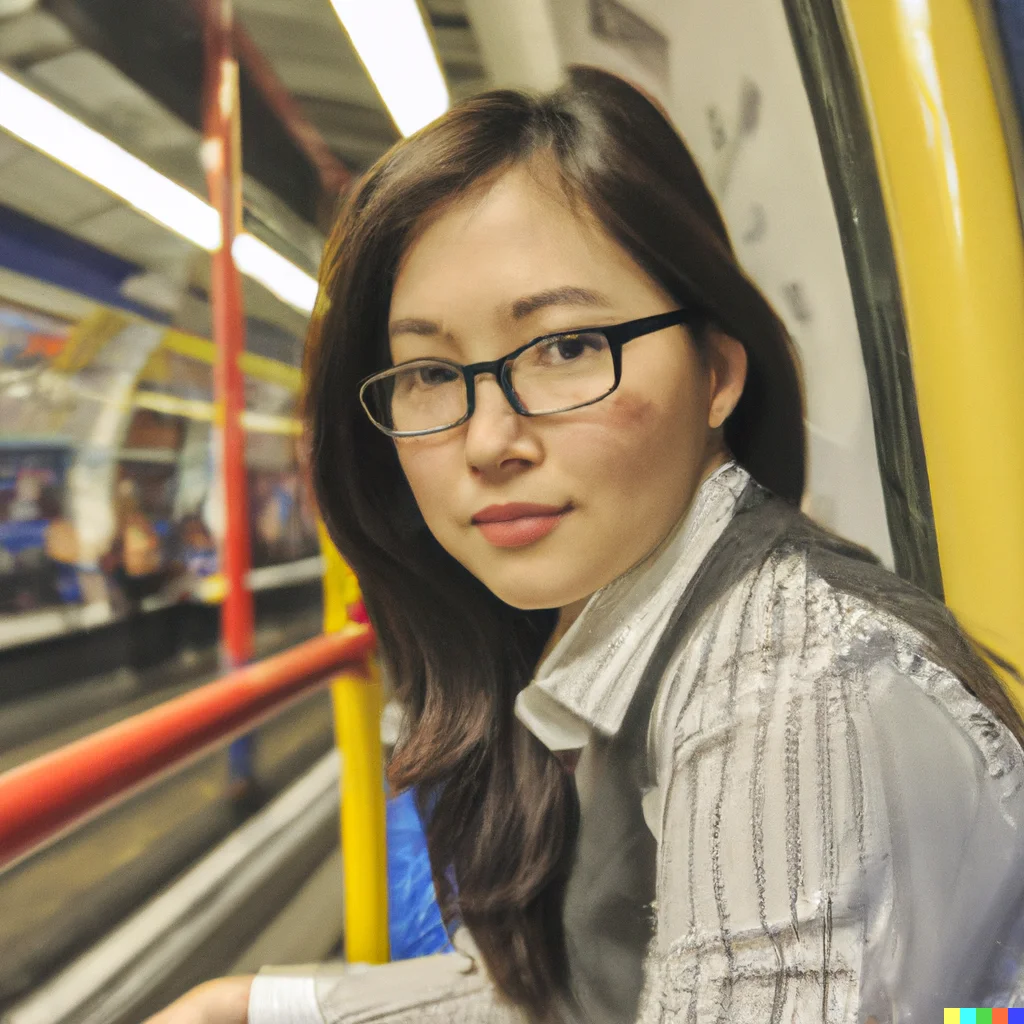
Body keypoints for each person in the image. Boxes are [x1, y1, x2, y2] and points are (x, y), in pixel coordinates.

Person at [148, 67, 1024, 1023]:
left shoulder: (791, 687)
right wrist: (249, 1008)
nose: (488, 441)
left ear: (717, 373)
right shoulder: (619, 634)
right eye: (432, 372)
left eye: (565, 348)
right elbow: (558, 995)